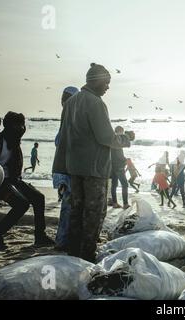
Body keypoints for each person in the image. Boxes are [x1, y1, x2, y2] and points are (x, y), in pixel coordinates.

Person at [52, 63, 135, 262]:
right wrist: (127, 139)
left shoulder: (71, 102)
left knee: (76, 212)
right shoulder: (96, 103)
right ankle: (87, 256)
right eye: (106, 82)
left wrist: (60, 168)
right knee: (93, 215)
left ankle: (73, 253)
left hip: (74, 168)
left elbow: (63, 138)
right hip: (94, 170)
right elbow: (107, 138)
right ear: (96, 81)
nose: (108, 87)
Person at [0, 112, 54, 250]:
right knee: (21, 205)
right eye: (16, 125)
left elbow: (16, 172)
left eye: (22, 125)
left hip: (12, 180)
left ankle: (40, 236)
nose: (20, 128)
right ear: (7, 125)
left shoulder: (14, 142)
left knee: (38, 197)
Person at [52, 86, 79, 251]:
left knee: (68, 208)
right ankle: (62, 242)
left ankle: (63, 241)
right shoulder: (71, 121)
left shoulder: (67, 120)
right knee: (69, 208)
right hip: (66, 172)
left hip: (63, 171)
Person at [110, 126, 130, 209]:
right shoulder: (118, 141)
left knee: (114, 184)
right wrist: (125, 160)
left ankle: (114, 203)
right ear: (119, 131)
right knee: (125, 184)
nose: (122, 133)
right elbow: (119, 155)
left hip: (112, 166)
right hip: (119, 166)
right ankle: (125, 204)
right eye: (122, 131)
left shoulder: (112, 140)